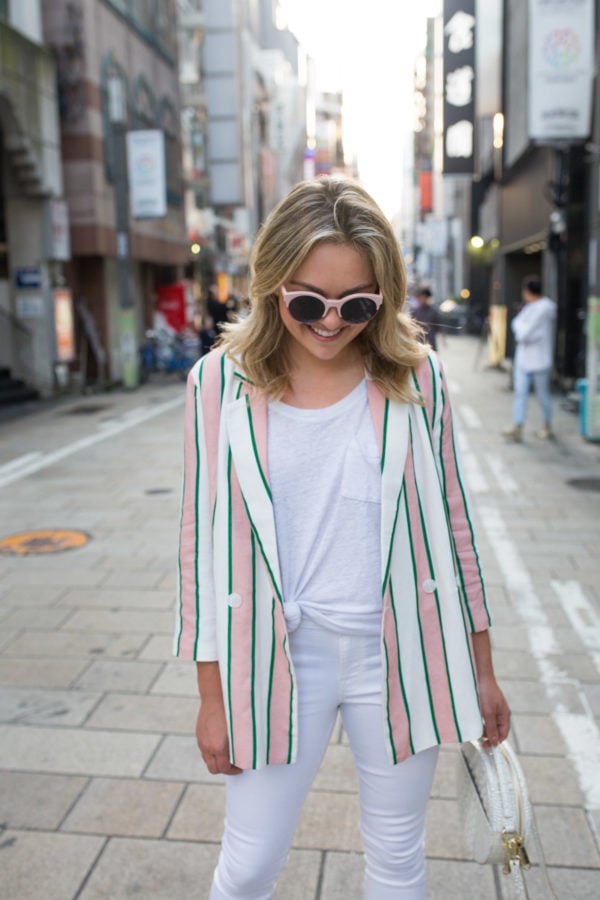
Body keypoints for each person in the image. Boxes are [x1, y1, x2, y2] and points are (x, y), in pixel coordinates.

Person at [174, 176, 510, 900]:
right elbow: (200, 550)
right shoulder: (216, 385)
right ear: (271, 284)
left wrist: (480, 668)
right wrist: (211, 697)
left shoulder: (417, 378)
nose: (331, 323)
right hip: (274, 653)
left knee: (397, 860)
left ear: (384, 296)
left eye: (357, 304)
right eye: (308, 302)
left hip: (400, 653)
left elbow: (456, 529)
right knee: (250, 865)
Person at [503, 275, 557, 442]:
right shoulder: (530, 308)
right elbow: (516, 325)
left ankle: (547, 425)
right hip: (525, 359)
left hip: (539, 360)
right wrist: (520, 328)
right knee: (521, 393)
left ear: (527, 291)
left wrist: (520, 328)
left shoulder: (543, 309)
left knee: (542, 395)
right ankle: (518, 426)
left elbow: (522, 332)